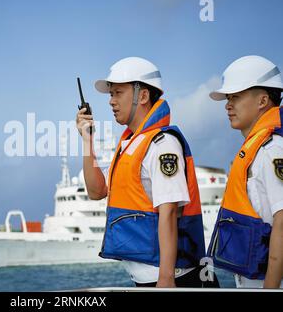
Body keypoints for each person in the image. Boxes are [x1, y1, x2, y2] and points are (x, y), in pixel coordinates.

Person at [76, 57, 207, 287]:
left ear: (143, 96)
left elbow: (167, 212)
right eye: (110, 94)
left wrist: (166, 280)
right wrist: (87, 141)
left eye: (118, 93)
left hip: (172, 279)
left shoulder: (162, 143)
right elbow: (96, 191)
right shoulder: (129, 143)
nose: (111, 101)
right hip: (149, 279)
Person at [208, 55, 283, 289]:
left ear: (262, 100)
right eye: (228, 98)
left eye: (236, 97)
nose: (228, 105)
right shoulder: (257, 149)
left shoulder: (273, 151)